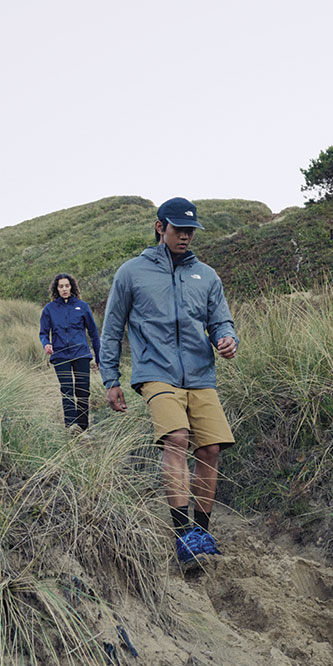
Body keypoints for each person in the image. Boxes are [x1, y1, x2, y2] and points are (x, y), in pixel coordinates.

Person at [99, 197, 238, 564]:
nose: (186, 236)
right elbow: (112, 329)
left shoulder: (206, 276)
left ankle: (202, 533)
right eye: (179, 229)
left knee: (209, 450)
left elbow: (220, 320)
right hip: (155, 372)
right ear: (160, 227)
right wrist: (110, 379)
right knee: (177, 439)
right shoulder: (131, 273)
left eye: (191, 230)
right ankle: (182, 536)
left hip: (200, 374)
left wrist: (227, 338)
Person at [39, 273, 101, 432]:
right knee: (66, 389)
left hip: (81, 353)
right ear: (56, 289)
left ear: (72, 287)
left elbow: (93, 333)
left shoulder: (82, 306)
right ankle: (72, 427)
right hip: (60, 355)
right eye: (61, 286)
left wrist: (99, 356)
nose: (64, 289)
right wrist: (46, 344)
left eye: (67, 286)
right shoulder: (49, 309)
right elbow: (44, 333)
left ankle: (83, 427)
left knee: (82, 390)